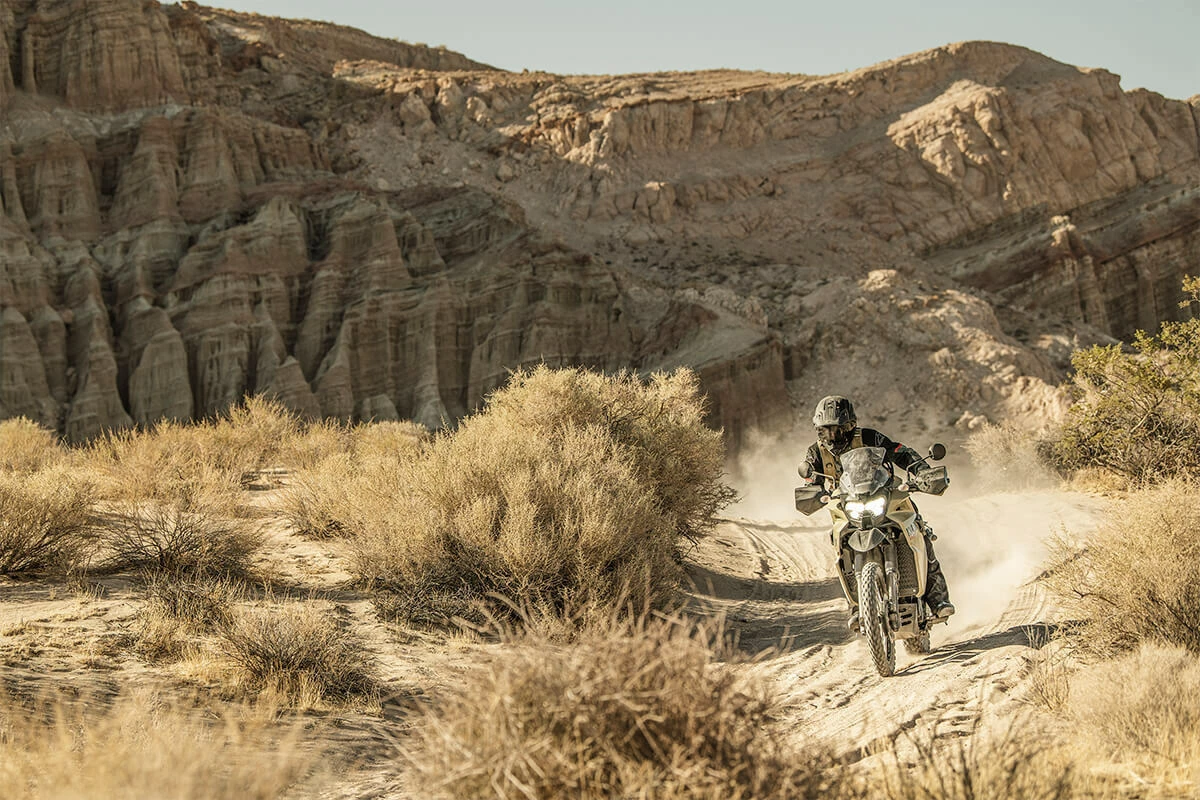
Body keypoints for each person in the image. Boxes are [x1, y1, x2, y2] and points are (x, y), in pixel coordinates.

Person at [801, 395, 955, 628]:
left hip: (885, 496)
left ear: (849, 426)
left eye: (837, 430)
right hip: (847, 508)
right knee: (839, 544)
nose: (832, 436)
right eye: (826, 431)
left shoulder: (870, 437)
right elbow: (811, 480)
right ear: (818, 430)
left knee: (919, 529)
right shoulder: (815, 453)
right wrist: (812, 492)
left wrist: (921, 471)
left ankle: (938, 599)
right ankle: (856, 605)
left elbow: (900, 452)